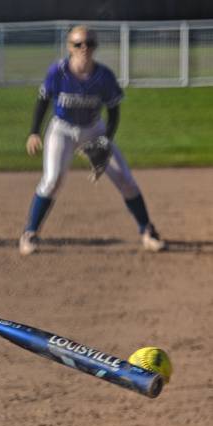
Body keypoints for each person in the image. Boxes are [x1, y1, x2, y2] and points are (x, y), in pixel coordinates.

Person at [19, 25, 166, 255]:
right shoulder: (58, 72)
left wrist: (105, 142)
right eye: (78, 44)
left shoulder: (104, 76)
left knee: (125, 180)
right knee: (52, 180)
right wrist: (34, 131)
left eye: (89, 43)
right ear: (69, 47)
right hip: (62, 130)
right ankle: (29, 234)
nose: (84, 48)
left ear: (96, 47)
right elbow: (43, 100)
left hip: (93, 129)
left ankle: (148, 231)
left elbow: (113, 112)